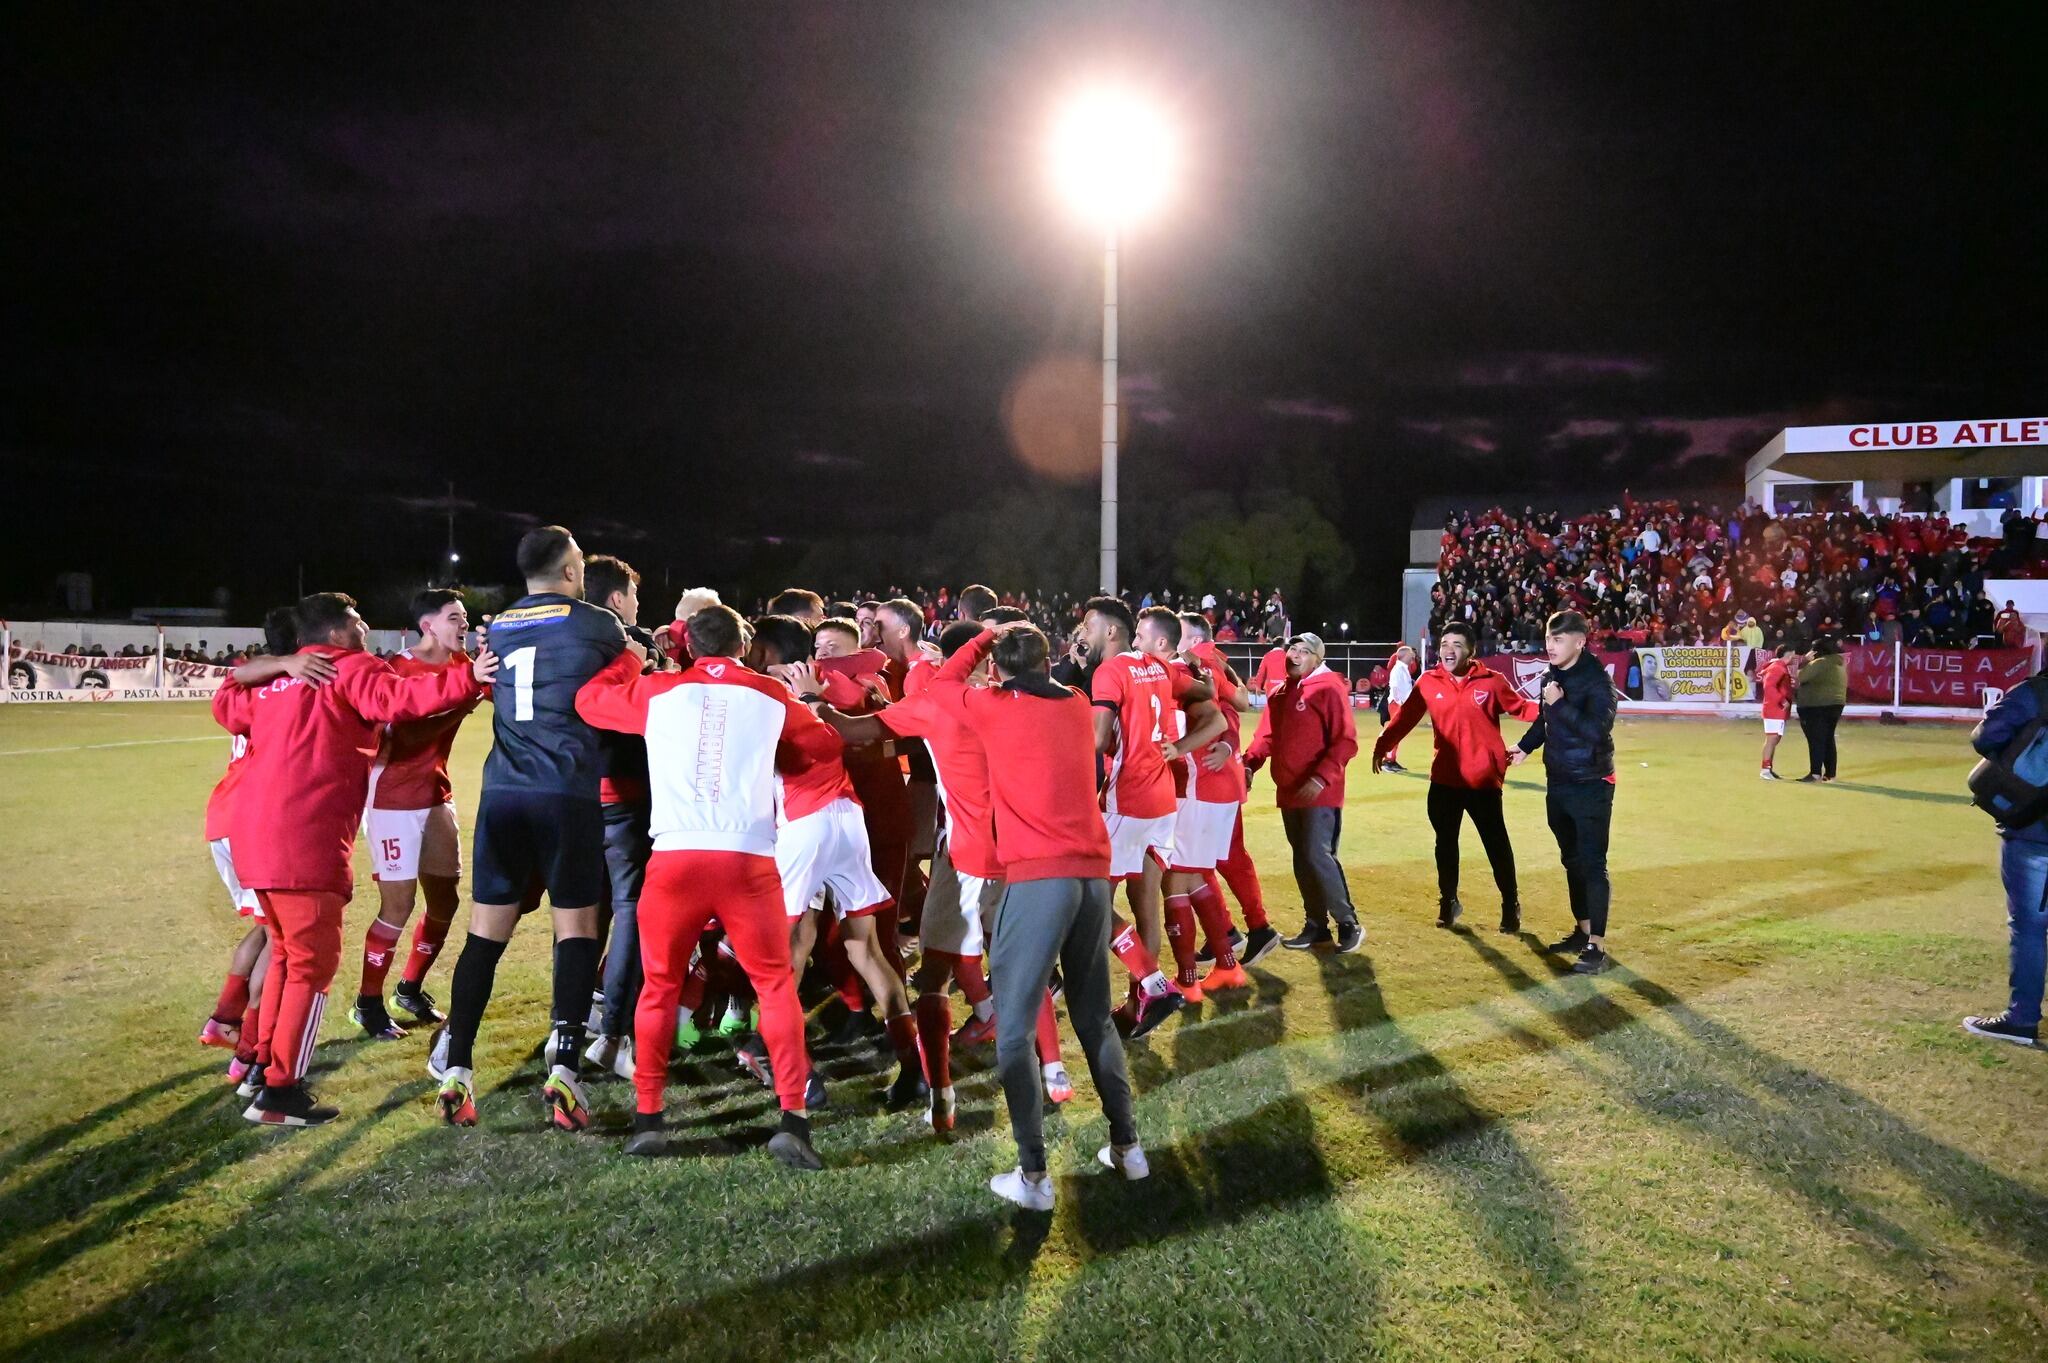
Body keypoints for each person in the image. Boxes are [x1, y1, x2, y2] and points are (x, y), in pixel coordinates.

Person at [215, 592, 493, 1126]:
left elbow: (225, 703)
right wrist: (472, 678)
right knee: (311, 969)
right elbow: (400, 699)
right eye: (358, 619)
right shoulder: (346, 668)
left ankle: (258, 1065)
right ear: (338, 632)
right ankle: (280, 1092)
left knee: (287, 959)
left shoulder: (271, 681)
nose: (366, 625)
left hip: (254, 839)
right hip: (305, 842)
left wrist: (277, 663)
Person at [573, 604, 823, 1168]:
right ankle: (793, 1118)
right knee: (776, 987)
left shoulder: (660, 690)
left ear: (689, 643)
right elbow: (817, 750)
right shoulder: (770, 694)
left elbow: (588, 701)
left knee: (659, 986)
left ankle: (649, 1117)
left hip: (676, 858)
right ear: (744, 644)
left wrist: (629, 660)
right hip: (747, 861)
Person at [429, 526, 626, 1132]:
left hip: (503, 793)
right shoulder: (596, 624)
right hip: (566, 793)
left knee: (486, 933)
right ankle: (564, 1066)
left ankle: (457, 1066)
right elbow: (627, 678)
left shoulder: (503, 623)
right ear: (570, 571)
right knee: (578, 928)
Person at [941, 623, 1144, 1209]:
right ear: (1049, 661)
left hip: (1038, 878)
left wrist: (981, 638)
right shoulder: (1077, 704)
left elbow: (943, 684)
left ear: (998, 670)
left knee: (1013, 1031)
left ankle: (1033, 1178)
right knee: (1094, 1019)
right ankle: (1128, 1150)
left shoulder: (992, 704)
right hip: (1092, 878)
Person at [752, 615, 927, 1113]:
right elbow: (857, 704)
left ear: (768, 652)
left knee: (785, 955)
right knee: (864, 949)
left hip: (803, 826)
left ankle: (798, 1077)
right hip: (848, 819)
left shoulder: (766, 689)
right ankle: (915, 1070)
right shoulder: (824, 683)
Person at [351, 588, 484, 1041]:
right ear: (428, 625)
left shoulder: (465, 666)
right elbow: (396, 733)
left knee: (445, 899)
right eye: (454, 617)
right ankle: (367, 1003)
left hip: (435, 792)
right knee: (399, 905)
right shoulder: (398, 671)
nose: (463, 624)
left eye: (464, 617)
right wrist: (462, 697)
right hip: (391, 797)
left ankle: (409, 989)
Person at [198, 606, 309, 1078]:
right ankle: (249, 1051)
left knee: (267, 929)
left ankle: (223, 1021)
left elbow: (235, 678)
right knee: (281, 944)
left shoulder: (251, 682)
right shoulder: (294, 687)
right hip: (256, 823)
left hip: (223, 816)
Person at [1373, 621, 1538, 933]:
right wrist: (1382, 745)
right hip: (1444, 779)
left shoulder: (1492, 681)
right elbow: (1405, 718)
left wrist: (1552, 706)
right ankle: (1448, 901)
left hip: (1483, 781)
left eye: (1457, 644)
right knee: (1445, 844)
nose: (1449, 649)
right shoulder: (1428, 681)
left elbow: (1522, 709)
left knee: (1496, 844)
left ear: (1471, 651)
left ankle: (1509, 904)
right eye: (1445, 643)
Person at [1509, 610, 1618, 974]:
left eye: (1558, 639)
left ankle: (1597, 947)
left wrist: (1561, 703)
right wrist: (1525, 747)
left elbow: (1596, 731)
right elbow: (1545, 719)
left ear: (1579, 641)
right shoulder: (1551, 676)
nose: (1550, 646)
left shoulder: (1597, 681)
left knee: (1592, 863)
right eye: (1548, 638)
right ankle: (1583, 931)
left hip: (1591, 784)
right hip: (1557, 783)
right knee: (1570, 859)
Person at [1244, 633, 1365, 954]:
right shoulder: (1281, 692)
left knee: (1316, 854)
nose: (1294, 655)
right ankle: (1317, 926)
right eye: (1291, 649)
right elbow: (1265, 736)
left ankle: (1348, 922)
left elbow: (1346, 741)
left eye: (1303, 651)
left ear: (1317, 658)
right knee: (1302, 858)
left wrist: (1321, 778)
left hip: (1320, 793)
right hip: (1289, 791)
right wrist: (1248, 764)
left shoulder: (1329, 688)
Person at [583, 555, 656, 1080]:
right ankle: (614, 1030)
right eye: (632, 593)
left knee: (585, 908)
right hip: (625, 794)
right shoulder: (631, 645)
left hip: (569, 795)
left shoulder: (567, 642)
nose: (636, 603)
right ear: (616, 600)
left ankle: (571, 1019)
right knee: (631, 906)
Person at [1964, 675, 2048, 1046]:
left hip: (2036, 827)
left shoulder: (2037, 691)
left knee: (2030, 926)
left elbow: (1986, 736)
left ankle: (2022, 1018)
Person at [1795, 635, 1846, 783]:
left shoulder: (1820, 663)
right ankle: (1830, 774)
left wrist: (1804, 662)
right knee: (1828, 738)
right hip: (1835, 704)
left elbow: (1801, 677)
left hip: (1816, 705)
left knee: (1816, 739)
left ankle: (1815, 773)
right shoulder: (1838, 663)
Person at [1757, 644, 1798, 780]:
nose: (1794, 657)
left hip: (1776, 709)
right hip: (1774, 708)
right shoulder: (1777, 668)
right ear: (1788, 654)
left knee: (1775, 738)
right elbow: (1769, 686)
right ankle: (1765, 770)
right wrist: (1782, 700)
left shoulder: (1779, 666)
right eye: (1793, 654)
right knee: (1772, 738)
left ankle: (1768, 768)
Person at [1380, 646, 1418, 771]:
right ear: (1405, 656)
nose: (1413, 657)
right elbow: (1395, 688)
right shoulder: (1398, 669)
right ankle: (1387, 761)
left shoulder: (1403, 668)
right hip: (1397, 704)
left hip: (1400, 703)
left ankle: (1391, 759)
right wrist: (1400, 703)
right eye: (1411, 655)